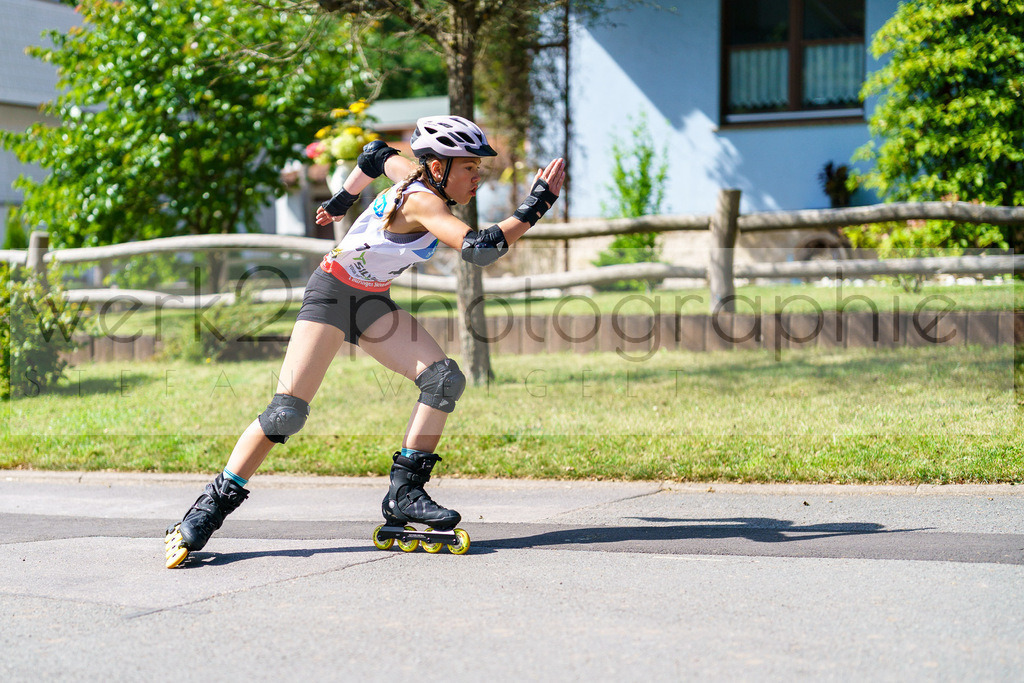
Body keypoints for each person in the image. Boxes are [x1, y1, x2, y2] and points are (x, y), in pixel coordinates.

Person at [165, 115, 565, 567]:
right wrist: (537, 204)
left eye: (478, 167)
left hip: (371, 302)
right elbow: (480, 248)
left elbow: (375, 153)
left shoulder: (411, 173)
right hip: (331, 296)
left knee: (443, 379)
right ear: (439, 168)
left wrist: (341, 200)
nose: (477, 176)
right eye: (468, 167)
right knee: (286, 413)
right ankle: (207, 509)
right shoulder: (425, 204)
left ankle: (405, 493)